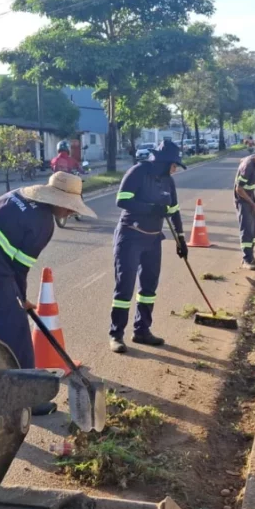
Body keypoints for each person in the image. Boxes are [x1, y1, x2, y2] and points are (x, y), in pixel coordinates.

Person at [0, 172, 97, 414]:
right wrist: (20, 299)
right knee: (16, 340)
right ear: (58, 201)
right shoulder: (42, 224)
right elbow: (20, 269)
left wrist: (21, 297)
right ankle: (27, 401)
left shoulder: (16, 196)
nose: (71, 213)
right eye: (70, 208)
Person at [108, 139, 187, 354]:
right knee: (125, 286)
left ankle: (142, 330)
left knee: (148, 288)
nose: (175, 169)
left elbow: (174, 211)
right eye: (174, 164)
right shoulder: (138, 172)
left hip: (153, 239)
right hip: (130, 238)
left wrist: (181, 239)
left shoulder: (168, 181)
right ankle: (116, 335)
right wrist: (151, 209)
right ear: (165, 161)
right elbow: (122, 200)